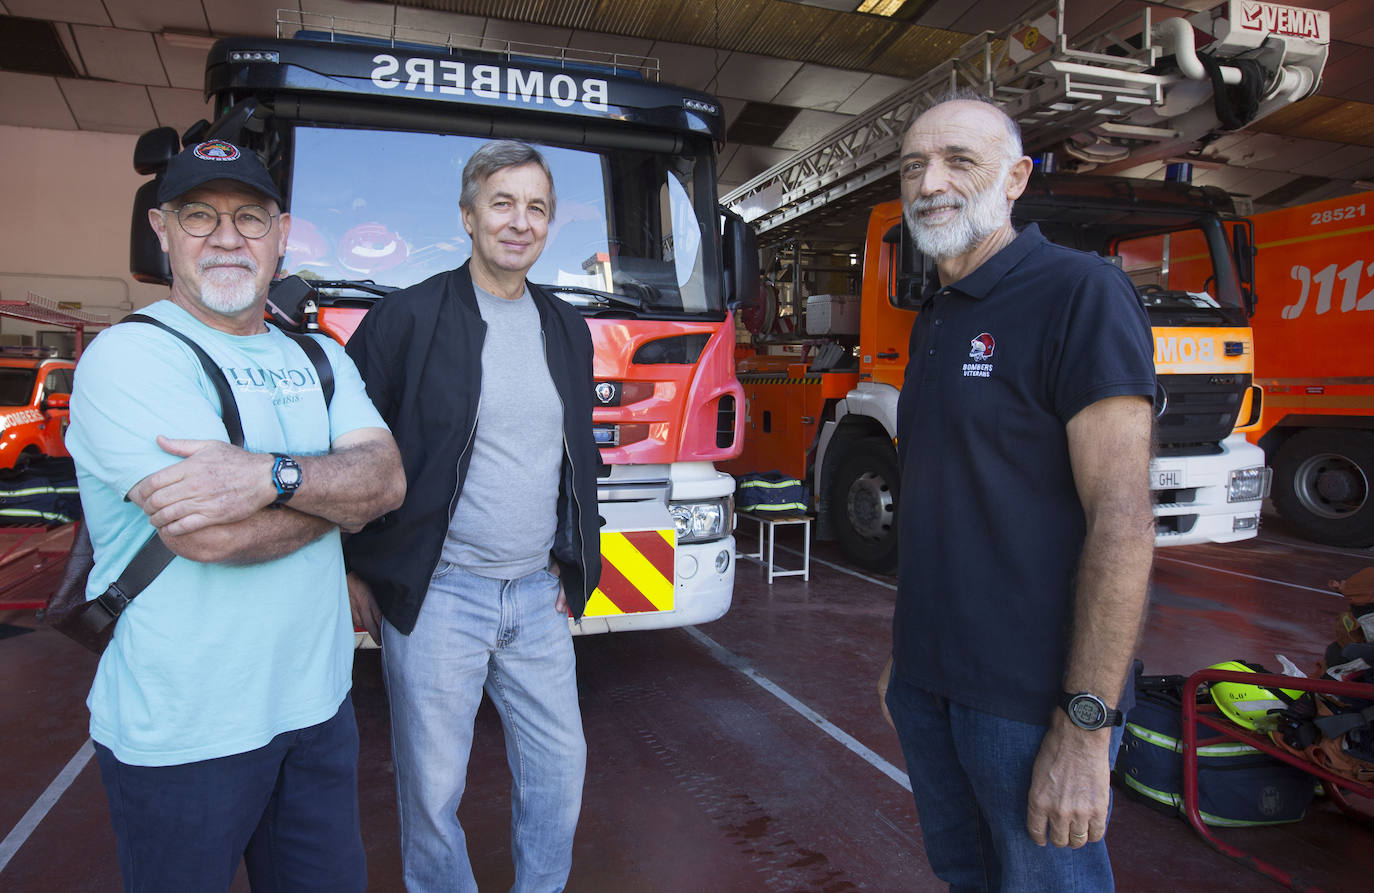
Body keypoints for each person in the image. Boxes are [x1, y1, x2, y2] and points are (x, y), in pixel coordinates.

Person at [66, 139, 406, 892]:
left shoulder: (319, 356)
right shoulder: (132, 357)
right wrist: (332, 494)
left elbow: (386, 480)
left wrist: (266, 476)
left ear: (281, 236)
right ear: (162, 229)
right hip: (183, 733)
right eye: (200, 215)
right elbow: (213, 535)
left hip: (317, 714)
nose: (227, 237)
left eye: (250, 219)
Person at [879, 93, 1156, 890]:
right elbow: (951, 499)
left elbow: (1123, 520)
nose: (929, 181)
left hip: (1028, 700)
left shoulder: (1079, 293)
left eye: (958, 160)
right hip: (929, 682)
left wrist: (1085, 723)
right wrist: (904, 660)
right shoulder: (936, 313)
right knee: (967, 876)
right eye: (912, 165)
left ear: (1016, 178)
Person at [343, 140, 601, 893]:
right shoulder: (407, 318)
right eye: (502, 203)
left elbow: (573, 455)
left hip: (533, 596)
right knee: (432, 789)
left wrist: (569, 554)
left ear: (550, 224)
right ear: (468, 216)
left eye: (537, 208)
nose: (519, 222)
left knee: (560, 769)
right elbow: (347, 444)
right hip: (440, 594)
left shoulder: (567, 328)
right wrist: (354, 561)